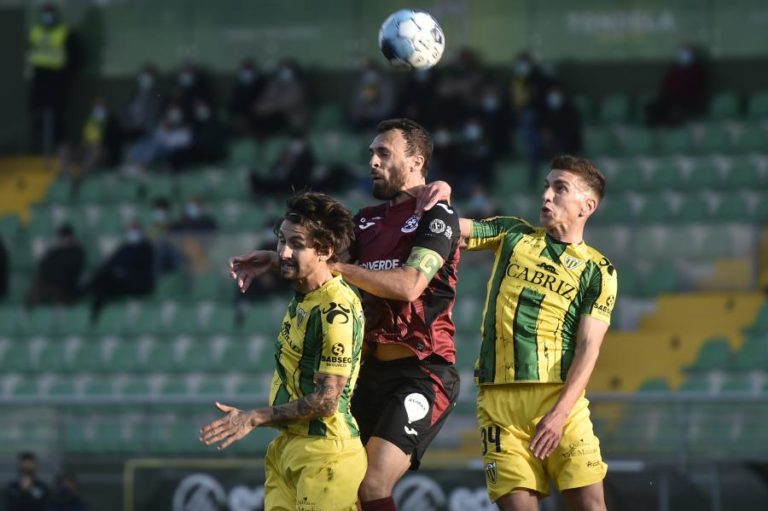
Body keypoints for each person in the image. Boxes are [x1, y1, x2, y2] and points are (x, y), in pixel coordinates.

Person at [229, 119, 462, 511]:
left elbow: (408, 286)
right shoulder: (366, 220)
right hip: (368, 372)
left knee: (372, 485)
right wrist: (273, 260)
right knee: (348, 485)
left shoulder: (438, 217)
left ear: (416, 161)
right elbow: (318, 258)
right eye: (371, 152)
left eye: (383, 153)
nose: (371, 161)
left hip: (422, 372)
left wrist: (340, 269)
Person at [436, 155, 617, 510]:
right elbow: (450, 228)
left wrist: (561, 414)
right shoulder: (512, 234)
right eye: (546, 187)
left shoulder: (599, 270)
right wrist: (437, 201)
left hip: (559, 400)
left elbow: (588, 348)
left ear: (587, 205)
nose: (546, 196)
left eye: (559, 188)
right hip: (498, 405)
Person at [200, 192, 366, 511]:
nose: (284, 251)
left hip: (325, 455)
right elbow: (300, 265)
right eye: (281, 241)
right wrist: (273, 260)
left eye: (296, 244)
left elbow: (327, 400)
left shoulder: (336, 311)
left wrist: (255, 417)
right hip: (286, 450)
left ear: (325, 251)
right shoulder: (307, 289)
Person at [26, 3, 78, 153]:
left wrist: (66, 72)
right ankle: (35, 148)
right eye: (45, 13)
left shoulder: (64, 32)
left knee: (57, 115)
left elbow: (75, 57)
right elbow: (29, 52)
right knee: (35, 111)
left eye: (50, 13)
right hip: (39, 76)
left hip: (57, 78)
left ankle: (58, 149)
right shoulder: (35, 31)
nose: (47, 16)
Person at [645, 43, 707, 127]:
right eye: (682, 52)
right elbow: (666, 84)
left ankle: (672, 128)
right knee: (652, 106)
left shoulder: (696, 70)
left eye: (687, 52)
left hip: (685, 100)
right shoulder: (675, 69)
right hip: (669, 98)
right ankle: (655, 130)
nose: (684, 55)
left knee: (672, 109)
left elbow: (695, 89)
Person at [25, 224, 85, 307]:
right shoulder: (56, 251)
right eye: (62, 237)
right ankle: (28, 313)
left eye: (65, 237)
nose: (64, 240)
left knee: (46, 290)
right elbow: (44, 265)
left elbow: (72, 272)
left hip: (67, 288)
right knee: (38, 287)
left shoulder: (77, 252)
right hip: (50, 284)